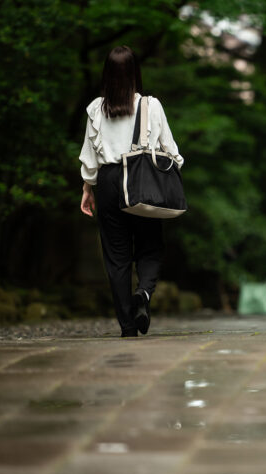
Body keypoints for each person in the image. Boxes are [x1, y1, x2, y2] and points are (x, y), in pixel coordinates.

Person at [79, 46, 184, 337]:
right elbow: (171, 151)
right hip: (142, 180)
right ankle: (144, 294)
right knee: (150, 246)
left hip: (110, 183)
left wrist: (88, 188)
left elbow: (90, 156)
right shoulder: (151, 106)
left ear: (107, 75)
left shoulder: (96, 109)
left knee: (116, 256)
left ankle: (127, 326)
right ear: (136, 72)